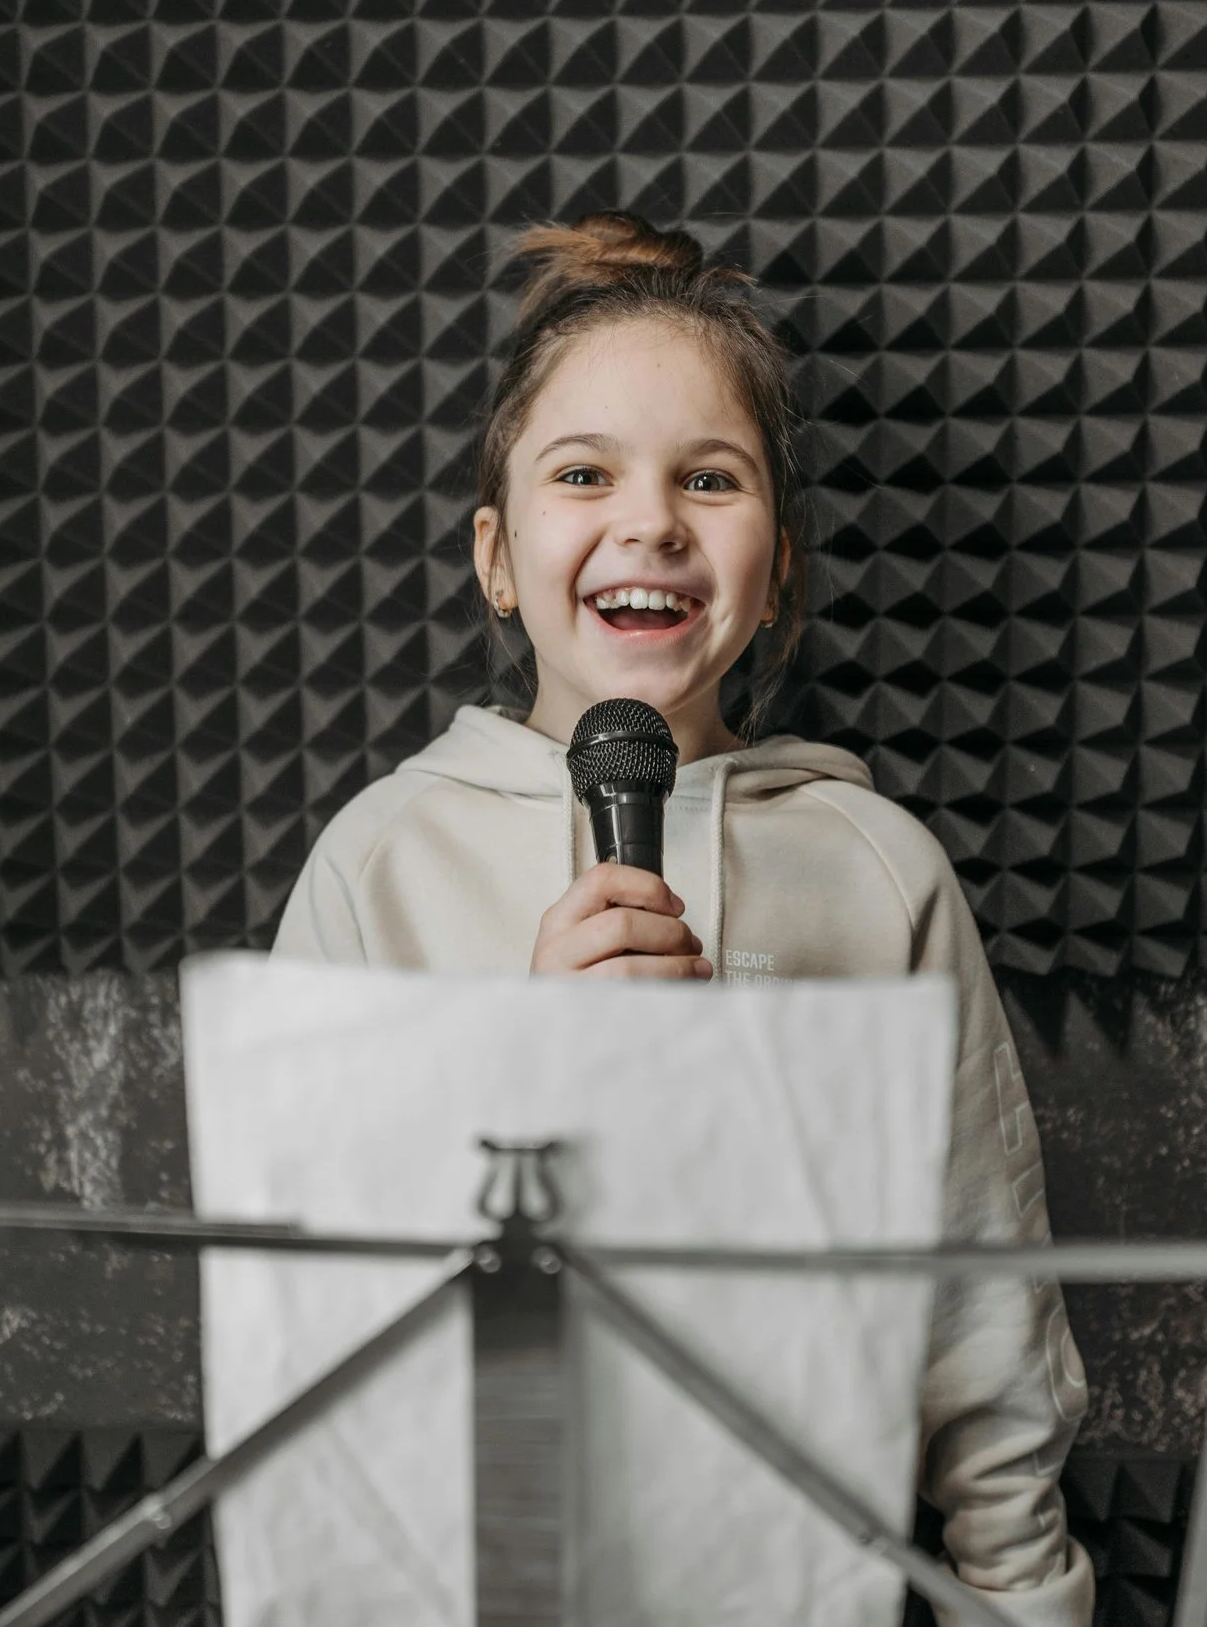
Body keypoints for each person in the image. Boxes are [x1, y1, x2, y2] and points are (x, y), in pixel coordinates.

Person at [272, 209, 1092, 1627]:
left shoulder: (877, 872)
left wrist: (1022, 1596)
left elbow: (982, 1315)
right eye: (583, 472)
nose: (648, 519)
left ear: (780, 570)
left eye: (709, 479)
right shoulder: (379, 866)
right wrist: (530, 1073)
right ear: (494, 553)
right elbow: (301, 1322)